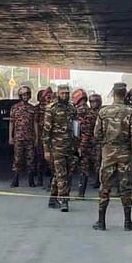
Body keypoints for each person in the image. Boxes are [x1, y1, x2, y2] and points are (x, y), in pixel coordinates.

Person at [93, 82, 132, 231]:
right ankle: (127, 222)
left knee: (105, 186)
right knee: (125, 186)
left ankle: (101, 222)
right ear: (125, 94)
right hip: (124, 152)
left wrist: (106, 145)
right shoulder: (131, 112)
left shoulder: (103, 112)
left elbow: (97, 134)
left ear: (113, 93)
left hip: (108, 151)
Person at [43, 84, 77, 212]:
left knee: (64, 174)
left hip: (70, 147)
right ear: (58, 94)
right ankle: (64, 200)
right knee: (62, 174)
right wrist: (46, 149)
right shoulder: (51, 109)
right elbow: (46, 131)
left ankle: (52, 198)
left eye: (67, 93)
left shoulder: (72, 109)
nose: (65, 95)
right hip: (56, 147)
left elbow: (75, 128)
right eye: (62, 93)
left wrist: (77, 145)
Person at [9, 86, 37, 187]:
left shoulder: (32, 108)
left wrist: (36, 137)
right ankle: (15, 179)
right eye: (23, 95)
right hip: (18, 137)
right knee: (17, 159)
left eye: (27, 94)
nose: (25, 96)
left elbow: (35, 123)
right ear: (20, 96)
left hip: (30, 137)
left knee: (31, 159)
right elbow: (11, 123)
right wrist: (10, 137)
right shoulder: (15, 108)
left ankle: (31, 180)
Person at [73, 89, 98, 197]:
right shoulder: (90, 111)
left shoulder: (81, 111)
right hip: (90, 144)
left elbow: (85, 132)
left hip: (84, 145)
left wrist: (80, 147)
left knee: (83, 168)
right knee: (88, 168)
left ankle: (80, 193)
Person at [35, 87, 53, 189]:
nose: (48, 97)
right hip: (42, 136)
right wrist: (37, 137)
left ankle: (51, 182)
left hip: (52, 138)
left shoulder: (53, 107)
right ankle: (39, 179)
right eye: (46, 95)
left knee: (51, 161)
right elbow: (36, 123)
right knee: (40, 159)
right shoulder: (38, 108)